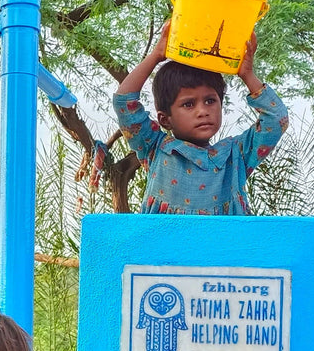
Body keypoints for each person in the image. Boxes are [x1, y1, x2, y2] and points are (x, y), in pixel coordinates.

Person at [113, 20, 288, 214]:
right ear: (165, 119)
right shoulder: (155, 147)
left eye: (210, 101)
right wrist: (156, 56)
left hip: (224, 245)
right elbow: (124, 104)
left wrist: (247, 74)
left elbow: (276, 119)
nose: (202, 111)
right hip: (168, 244)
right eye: (188, 104)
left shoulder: (235, 155)